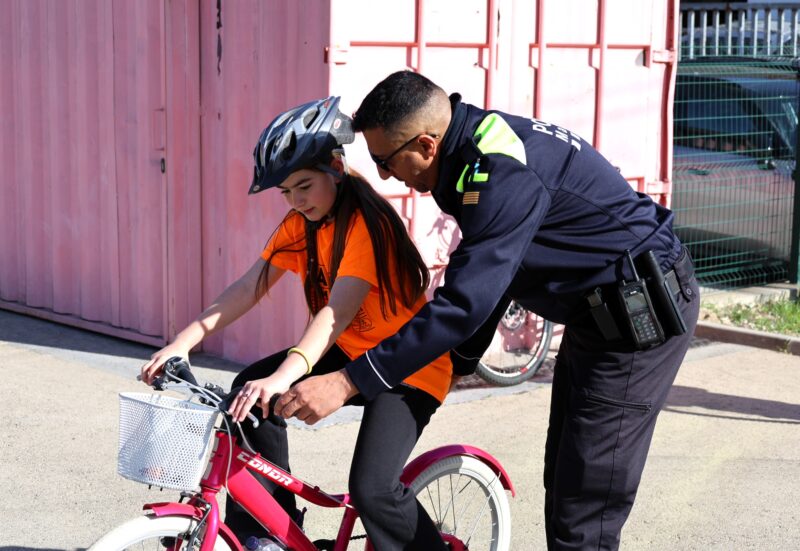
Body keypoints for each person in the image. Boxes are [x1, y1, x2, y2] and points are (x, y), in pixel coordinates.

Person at [274, 72, 701, 551]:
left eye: (386, 162)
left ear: (426, 145)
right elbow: (492, 266)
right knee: (562, 474)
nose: (385, 176)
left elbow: (463, 303)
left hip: (636, 322)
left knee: (587, 501)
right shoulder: (464, 155)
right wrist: (459, 361)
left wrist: (349, 380)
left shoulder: (500, 170)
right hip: (595, 312)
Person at [140, 96, 451, 550]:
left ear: (337, 168)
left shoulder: (366, 224)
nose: (295, 200)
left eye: (303, 185)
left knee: (373, 488)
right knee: (250, 394)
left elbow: (336, 313)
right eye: (286, 192)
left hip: (408, 365)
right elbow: (249, 287)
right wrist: (181, 343)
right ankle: (270, 534)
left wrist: (285, 375)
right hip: (355, 351)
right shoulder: (302, 224)